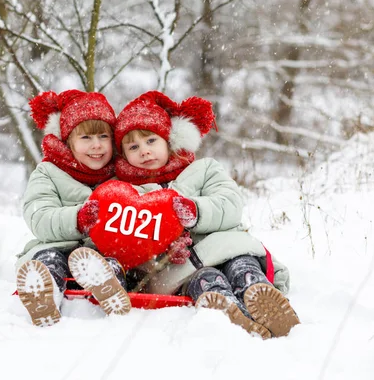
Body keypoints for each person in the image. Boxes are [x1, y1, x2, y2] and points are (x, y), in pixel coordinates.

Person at [110, 91, 299, 339]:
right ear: (123, 154)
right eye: (133, 146)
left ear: (169, 141)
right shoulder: (126, 192)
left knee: (241, 264)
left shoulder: (204, 169)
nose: (144, 151)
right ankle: (227, 307)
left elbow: (230, 204)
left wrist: (196, 212)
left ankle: (257, 290)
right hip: (184, 268)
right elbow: (127, 242)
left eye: (151, 141)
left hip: (225, 246)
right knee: (206, 279)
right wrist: (161, 252)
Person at [15, 90, 130, 327]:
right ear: (68, 141)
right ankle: (45, 296)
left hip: (102, 251)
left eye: (103, 136)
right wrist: (77, 219)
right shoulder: (48, 172)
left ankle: (109, 287)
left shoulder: (123, 175)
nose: (96, 145)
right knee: (48, 260)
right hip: (58, 246)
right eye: (86, 138)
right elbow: (39, 216)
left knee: (112, 261)